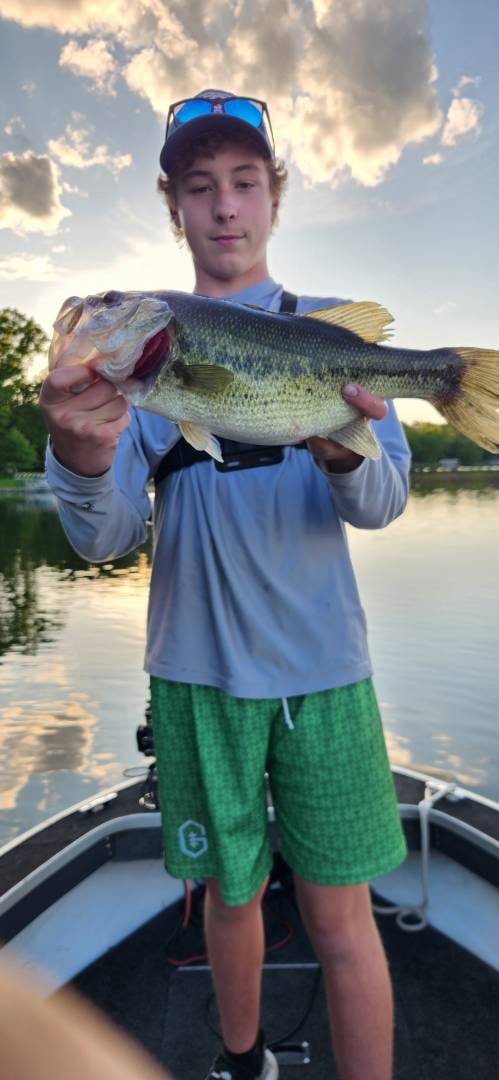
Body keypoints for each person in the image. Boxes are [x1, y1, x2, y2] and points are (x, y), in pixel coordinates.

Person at [40, 89, 410, 1080]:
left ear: (273, 196)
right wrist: (78, 454)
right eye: (199, 188)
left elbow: (381, 504)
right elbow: (102, 538)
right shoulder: (136, 370)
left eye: (244, 183)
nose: (225, 207)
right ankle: (241, 1061)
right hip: (196, 674)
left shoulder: (333, 339)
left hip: (324, 670)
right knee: (229, 894)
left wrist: (345, 454)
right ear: (175, 209)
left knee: (341, 913)